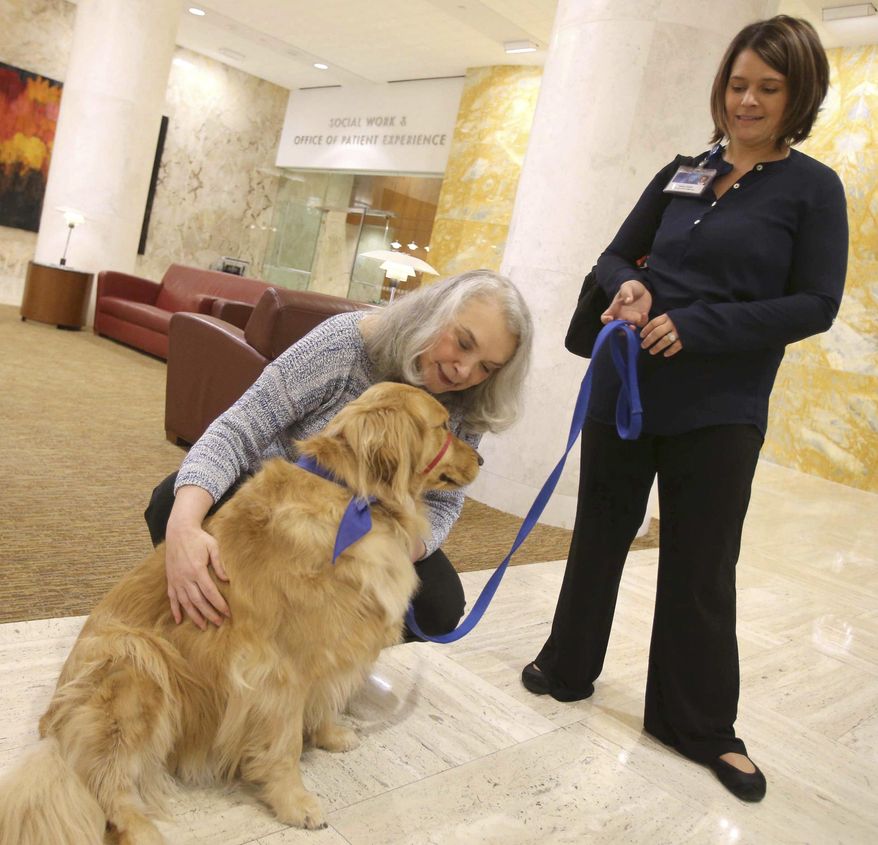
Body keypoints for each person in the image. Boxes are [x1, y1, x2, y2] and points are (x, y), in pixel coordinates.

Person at [521, 15, 847, 802]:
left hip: (720, 406)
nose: (748, 100)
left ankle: (697, 724)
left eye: (768, 88)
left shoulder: (812, 188)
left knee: (701, 565)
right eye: (738, 84)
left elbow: (817, 303)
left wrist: (699, 325)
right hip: (625, 389)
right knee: (598, 532)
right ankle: (568, 665)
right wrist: (628, 286)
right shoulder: (683, 169)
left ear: (798, 94)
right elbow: (613, 251)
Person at [146, 269, 533, 639]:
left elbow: (444, 506)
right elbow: (238, 429)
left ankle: (320, 650)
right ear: (432, 314)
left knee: (438, 608)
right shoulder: (344, 344)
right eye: (463, 343)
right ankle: (231, 624)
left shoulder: (470, 401)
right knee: (172, 503)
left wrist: (382, 553)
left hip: (377, 526)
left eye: (486, 367)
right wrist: (183, 528)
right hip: (278, 505)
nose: (464, 370)